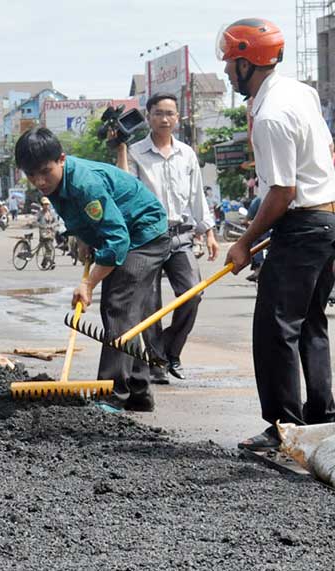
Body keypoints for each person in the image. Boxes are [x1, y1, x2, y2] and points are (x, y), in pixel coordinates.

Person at [219, 18, 335, 450]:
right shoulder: (300, 92)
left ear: (248, 63)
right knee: (311, 322)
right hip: (326, 221)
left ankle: (285, 427)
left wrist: (245, 241)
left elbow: (283, 191)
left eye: (232, 64)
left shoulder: (270, 116)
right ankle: (321, 414)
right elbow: (327, 153)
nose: (228, 72)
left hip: (303, 225)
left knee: (276, 326)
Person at [15, 127, 169, 412]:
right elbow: (82, 217)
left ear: (61, 159)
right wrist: (84, 237)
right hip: (121, 234)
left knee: (119, 305)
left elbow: (118, 239)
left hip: (143, 234)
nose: (39, 181)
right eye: (31, 175)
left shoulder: (85, 184)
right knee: (124, 311)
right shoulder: (56, 184)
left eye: (44, 172)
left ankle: (111, 393)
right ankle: (138, 390)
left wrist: (88, 284)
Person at [114, 93, 220, 384]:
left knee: (193, 294)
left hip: (181, 235)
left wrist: (208, 231)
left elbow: (197, 195)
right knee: (149, 304)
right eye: (158, 113)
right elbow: (126, 188)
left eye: (170, 113)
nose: (164, 118)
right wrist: (120, 148)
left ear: (177, 118)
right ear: (148, 117)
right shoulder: (135, 152)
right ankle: (157, 364)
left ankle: (167, 350)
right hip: (147, 237)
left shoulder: (186, 153)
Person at [36, 196, 57, 269]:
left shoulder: (51, 213)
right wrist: (41, 226)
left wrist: (52, 225)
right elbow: (36, 221)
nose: (46, 206)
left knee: (49, 248)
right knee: (49, 249)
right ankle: (51, 262)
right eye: (45, 204)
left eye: (47, 204)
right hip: (44, 234)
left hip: (51, 233)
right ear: (42, 205)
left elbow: (55, 222)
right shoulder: (40, 213)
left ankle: (44, 263)